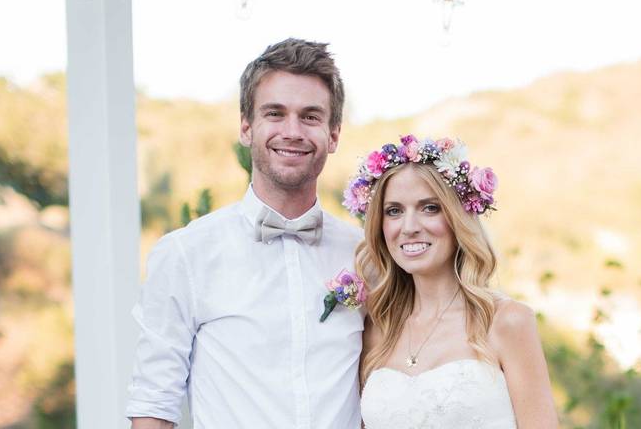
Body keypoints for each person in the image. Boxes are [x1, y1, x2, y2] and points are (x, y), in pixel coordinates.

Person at [126, 39, 364, 428]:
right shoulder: (186, 254)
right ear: (246, 126)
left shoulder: (365, 254)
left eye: (310, 117)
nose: (292, 131)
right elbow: (154, 403)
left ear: (333, 134)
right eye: (275, 113)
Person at [347, 136, 559, 429]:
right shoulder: (376, 331)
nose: (409, 228)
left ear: (458, 217)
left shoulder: (507, 321)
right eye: (394, 211)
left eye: (429, 208)